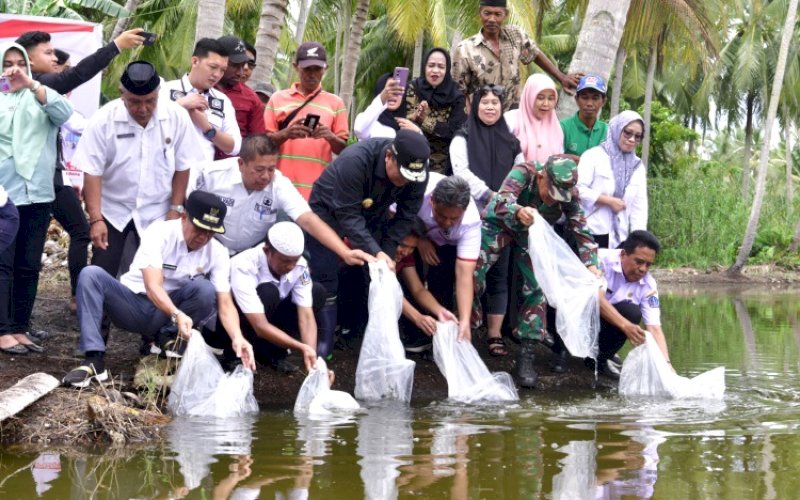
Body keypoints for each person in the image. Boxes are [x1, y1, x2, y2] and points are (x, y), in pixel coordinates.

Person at [62, 190, 256, 387]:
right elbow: (152, 286)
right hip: (136, 306)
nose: (203, 237)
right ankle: (94, 359)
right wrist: (176, 314)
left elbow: (225, 303)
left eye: (210, 233)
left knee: (205, 289)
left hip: (171, 317)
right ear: (184, 217)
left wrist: (237, 337)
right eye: (199, 229)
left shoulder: (217, 251)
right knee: (91, 274)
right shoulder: (160, 232)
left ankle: (167, 341)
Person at [16, 29, 146, 317]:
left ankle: (21, 324)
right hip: (28, 185)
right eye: (48, 53)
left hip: (51, 180)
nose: (54, 58)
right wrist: (116, 45)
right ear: (28, 60)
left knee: (33, 257)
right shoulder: (36, 83)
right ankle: (18, 323)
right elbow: (75, 76)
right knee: (21, 259)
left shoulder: (44, 91)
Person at [473, 157, 600, 387]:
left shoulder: (570, 194)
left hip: (531, 234)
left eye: (559, 196)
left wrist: (591, 263)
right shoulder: (525, 172)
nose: (553, 200)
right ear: (542, 177)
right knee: (472, 272)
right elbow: (501, 200)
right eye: (551, 192)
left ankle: (527, 355)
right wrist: (518, 210)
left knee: (537, 287)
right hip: (500, 224)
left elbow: (580, 226)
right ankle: (466, 335)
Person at [73, 61, 205, 278]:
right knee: (102, 271)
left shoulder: (176, 116)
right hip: (113, 209)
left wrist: (175, 208)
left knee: (156, 273)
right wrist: (96, 219)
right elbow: (92, 172)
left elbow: (183, 166)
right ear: (121, 94)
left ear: (158, 93)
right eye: (134, 102)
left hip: (158, 209)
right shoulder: (103, 120)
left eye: (150, 101)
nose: (143, 109)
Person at [308, 129, 430, 358]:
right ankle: (322, 340)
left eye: (410, 178)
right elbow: (348, 216)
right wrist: (374, 250)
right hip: (328, 209)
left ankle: (363, 335)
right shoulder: (355, 161)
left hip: (374, 211)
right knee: (326, 272)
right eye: (402, 175)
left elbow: (406, 215)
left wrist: (386, 252)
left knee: (375, 273)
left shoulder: (417, 173)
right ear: (389, 156)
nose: (405, 182)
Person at [190, 135, 372, 267]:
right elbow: (187, 206)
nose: (266, 176)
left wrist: (345, 252)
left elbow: (308, 220)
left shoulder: (278, 183)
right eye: (259, 169)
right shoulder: (211, 175)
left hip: (253, 255)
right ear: (241, 164)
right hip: (210, 248)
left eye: (271, 169)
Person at [0, 42, 72, 355]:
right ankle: (2, 331)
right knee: (3, 265)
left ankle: (19, 327)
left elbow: (64, 113)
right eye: (7, 64)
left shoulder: (41, 95)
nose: (13, 69)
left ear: (29, 67)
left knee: (29, 266)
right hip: (5, 195)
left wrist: (31, 85)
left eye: (20, 63)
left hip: (38, 193)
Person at [451, 86, 523, 356]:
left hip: (502, 217)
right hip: (471, 213)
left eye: (495, 102)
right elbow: (461, 172)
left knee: (499, 275)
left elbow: (520, 171)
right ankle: (466, 328)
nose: (490, 107)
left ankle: (494, 334)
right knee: (468, 272)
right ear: (475, 106)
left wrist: (504, 199)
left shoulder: (511, 141)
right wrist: (489, 195)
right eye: (485, 102)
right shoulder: (463, 136)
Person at [203, 222, 326, 372]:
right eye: (285, 261)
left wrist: (311, 354)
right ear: (267, 251)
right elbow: (259, 325)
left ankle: (272, 352)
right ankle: (234, 356)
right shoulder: (244, 264)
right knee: (268, 292)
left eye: (294, 261)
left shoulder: (300, 265)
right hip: (227, 326)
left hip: (265, 316)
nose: (290, 266)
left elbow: (306, 316)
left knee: (316, 292)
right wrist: (300, 346)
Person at [452, 0, 581, 110]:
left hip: (513, 116)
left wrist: (561, 77)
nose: (492, 19)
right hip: (483, 117)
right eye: (487, 13)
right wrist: (470, 119)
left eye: (497, 14)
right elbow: (458, 89)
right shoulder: (465, 49)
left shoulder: (515, 35)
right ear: (479, 13)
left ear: (506, 15)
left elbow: (535, 53)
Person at [264, 41, 348, 200]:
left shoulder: (336, 103)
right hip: (279, 188)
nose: (312, 74)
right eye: (307, 68)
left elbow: (343, 150)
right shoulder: (277, 98)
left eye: (317, 69)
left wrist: (329, 136)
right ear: (296, 67)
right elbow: (262, 144)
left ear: (325, 68)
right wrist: (286, 134)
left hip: (318, 192)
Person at [405, 174, 479, 344]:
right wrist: (420, 239)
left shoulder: (470, 223)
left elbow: (464, 275)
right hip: (413, 234)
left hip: (449, 243)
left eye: (454, 218)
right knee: (409, 275)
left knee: (442, 278)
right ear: (432, 201)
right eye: (441, 215)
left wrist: (465, 320)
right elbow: (392, 215)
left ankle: (437, 334)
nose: (446, 222)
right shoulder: (416, 192)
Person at [596, 230, 670, 378]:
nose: (643, 269)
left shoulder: (648, 285)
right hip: (579, 315)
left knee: (632, 313)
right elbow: (596, 299)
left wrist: (667, 365)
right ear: (623, 254)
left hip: (604, 326)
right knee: (627, 317)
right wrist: (625, 325)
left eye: (648, 265)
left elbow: (654, 328)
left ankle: (600, 359)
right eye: (639, 262)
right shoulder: (599, 260)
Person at [161, 38, 241, 162]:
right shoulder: (165, 90)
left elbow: (234, 147)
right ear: (195, 61)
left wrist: (207, 128)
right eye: (213, 67)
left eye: (222, 70)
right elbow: (148, 125)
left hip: (202, 172)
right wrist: (180, 105)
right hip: (166, 169)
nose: (217, 74)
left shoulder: (222, 101)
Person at [577, 110, 648, 249]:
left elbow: (639, 207)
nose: (632, 139)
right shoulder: (593, 156)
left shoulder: (637, 166)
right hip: (591, 232)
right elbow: (577, 190)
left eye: (637, 136)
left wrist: (639, 241)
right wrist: (607, 201)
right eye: (627, 133)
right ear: (617, 129)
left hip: (620, 237)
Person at [405, 48, 467, 174]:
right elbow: (402, 121)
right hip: (412, 154)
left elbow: (454, 131)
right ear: (424, 67)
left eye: (441, 67)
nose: (435, 70)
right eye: (431, 65)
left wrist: (425, 121)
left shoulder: (457, 96)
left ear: (447, 69)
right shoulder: (413, 88)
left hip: (443, 161)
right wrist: (415, 116)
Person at [214, 36, 266, 159]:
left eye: (244, 66)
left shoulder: (252, 99)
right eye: (235, 65)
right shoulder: (199, 88)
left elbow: (257, 142)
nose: (241, 72)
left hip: (232, 165)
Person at [506, 73, 564, 164]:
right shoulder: (511, 119)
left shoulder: (555, 126)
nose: (546, 104)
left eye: (550, 99)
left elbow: (559, 160)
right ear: (529, 96)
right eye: (540, 98)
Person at [353, 72, 419, 140]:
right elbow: (359, 129)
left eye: (398, 91)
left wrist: (418, 133)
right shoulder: (370, 121)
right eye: (390, 90)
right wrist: (382, 99)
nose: (393, 95)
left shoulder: (409, 124)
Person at [560, 74, 609, 160]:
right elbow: (553, 159)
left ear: (603, 101)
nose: (589, 103)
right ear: (576, 99)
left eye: (595, 98)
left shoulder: (608, 131)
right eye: (585, 97)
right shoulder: (563, 127)